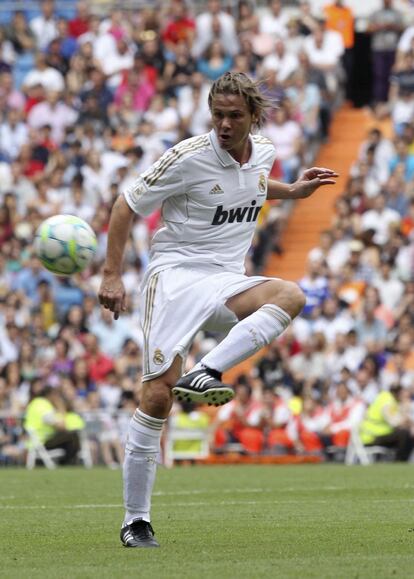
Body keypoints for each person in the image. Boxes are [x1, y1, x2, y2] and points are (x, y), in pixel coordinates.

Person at [98, 71, 338, 548]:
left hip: (225, 277)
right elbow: (126, 206)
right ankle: (136, 521)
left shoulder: (264, 152)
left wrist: (292, 191)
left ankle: (206, 370)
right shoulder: (188, 157)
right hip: (174, 278)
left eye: (234, 116)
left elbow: (250, 187)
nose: (224, 125)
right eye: (218, 115)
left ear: (253, 117)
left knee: (290, 294)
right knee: (156, 397)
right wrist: (111, 274)